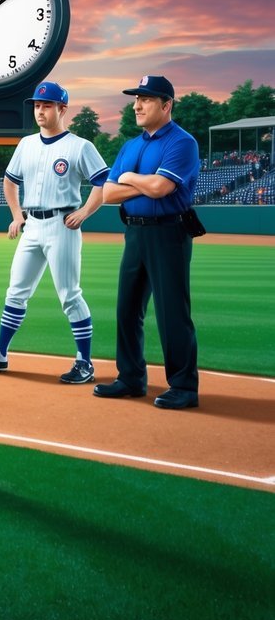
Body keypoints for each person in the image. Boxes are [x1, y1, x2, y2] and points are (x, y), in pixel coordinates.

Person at [0, 81, 108, 384]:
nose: (40, 110)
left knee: (70, 295)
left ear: (62, 109)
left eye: (46, 105)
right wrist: (16, 214)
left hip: (62, 225)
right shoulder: (26, 144)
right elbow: (9, 181)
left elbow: (103, 183)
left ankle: (85, 363)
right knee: (16, 292)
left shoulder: (80, 146)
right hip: (32, 226)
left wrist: (84, 212)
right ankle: (1, 353)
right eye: (36, 105)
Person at [96, 76, 201, 409]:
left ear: (166, 105)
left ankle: (184, 386)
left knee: (172, 312)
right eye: (136, 99)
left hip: (169, 232)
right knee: (127, 309)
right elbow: (108, 194)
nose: (137, 105)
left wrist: (129, 178)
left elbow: (161, 188)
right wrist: (139, 182)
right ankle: (130, 378)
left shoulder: (182, 143)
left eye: (146, 99)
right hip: (136, 233)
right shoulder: (131, 145)